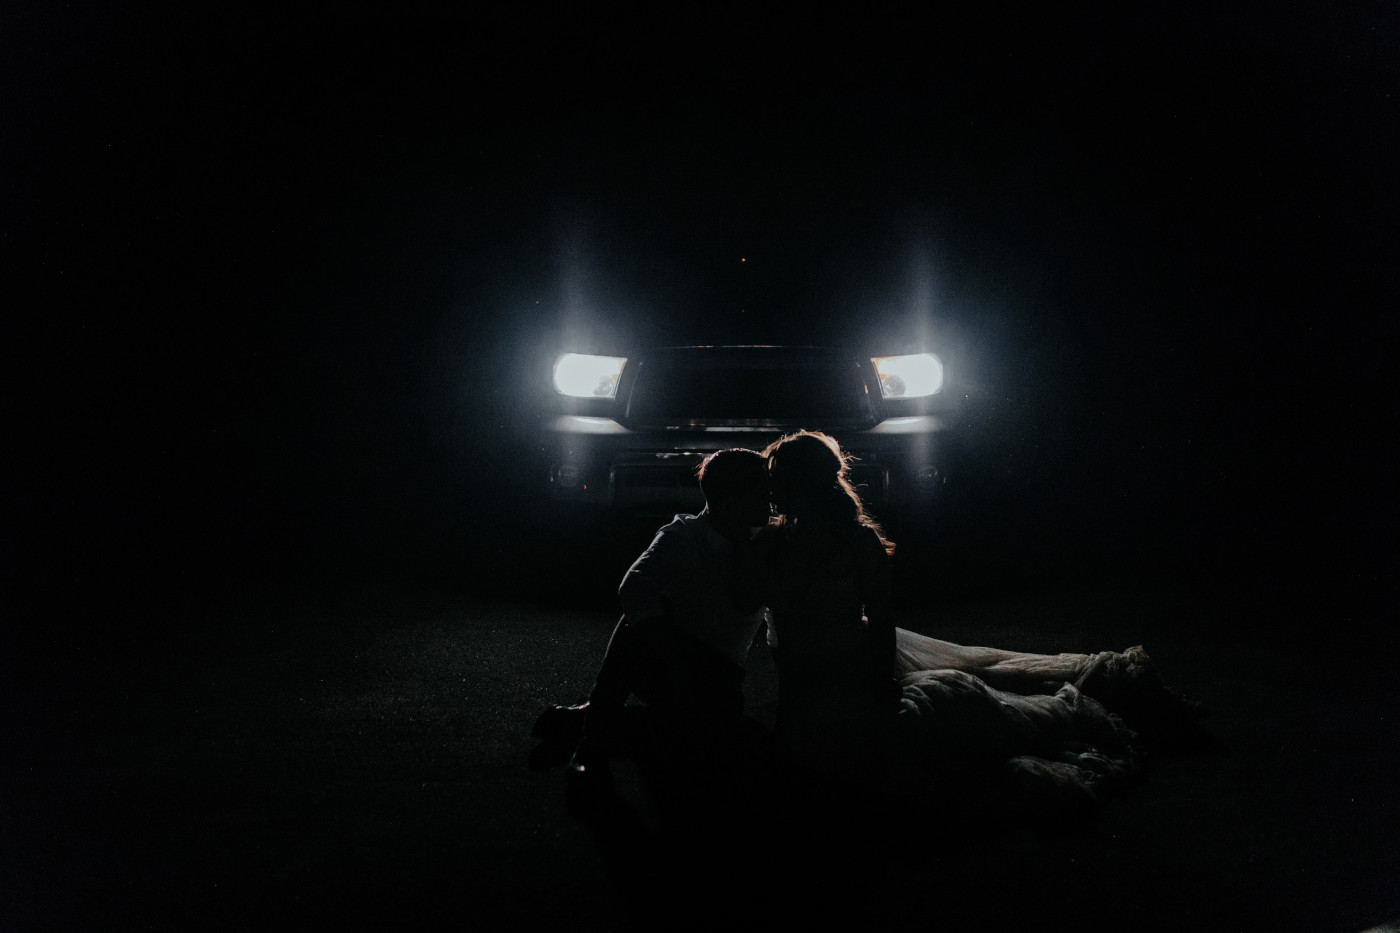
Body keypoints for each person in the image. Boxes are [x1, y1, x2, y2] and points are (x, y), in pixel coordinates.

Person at [757, 431, 1201, 814]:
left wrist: (878, 680)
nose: (770, 487)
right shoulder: (773, 540)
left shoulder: (856, 541)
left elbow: (882, 617)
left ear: (802, 482)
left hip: (848, 673)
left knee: (938, 756)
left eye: (777, 477)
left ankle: (1108, 703)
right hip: (805, 683)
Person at [530, 448, 774, 814]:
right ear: (731, 499)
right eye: (762, 491)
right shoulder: (685, 534)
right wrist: (672, 655)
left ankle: (586, 718)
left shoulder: (767, 542)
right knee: (634, 624)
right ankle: (591, 742)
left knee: (699, 737)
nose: (770, 499)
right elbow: (634, 587)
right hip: (667, 663)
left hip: (718, 677)